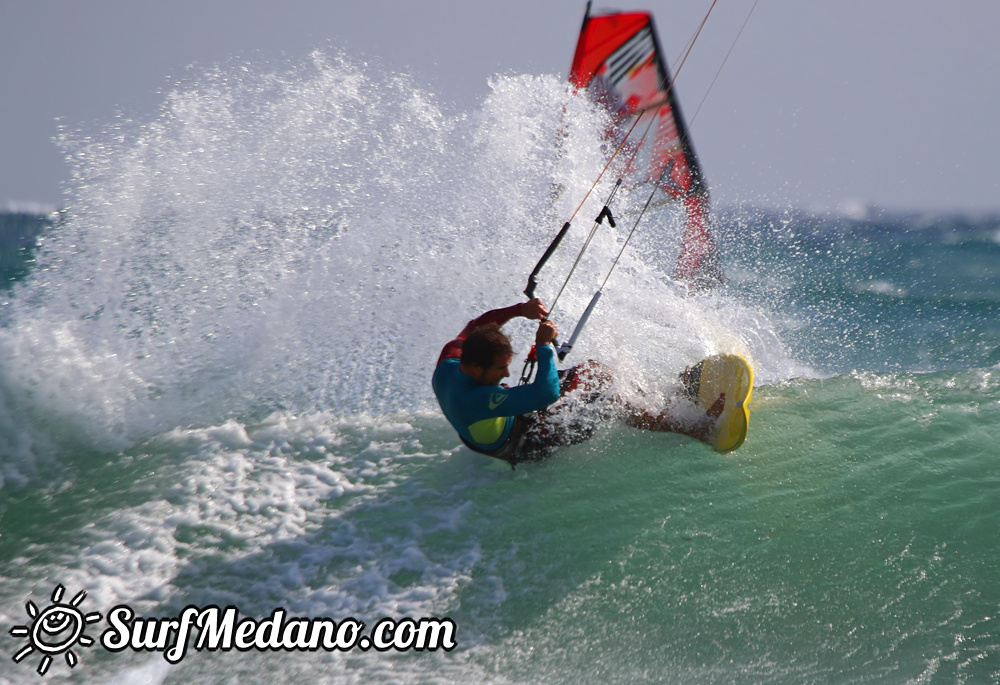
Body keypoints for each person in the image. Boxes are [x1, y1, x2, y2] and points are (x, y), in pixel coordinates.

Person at [432, 298, 724, 467]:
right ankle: (691, 428)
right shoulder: (476, 399)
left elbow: (477, 326)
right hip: (525, 442)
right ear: (474, 367)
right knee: (607, 393)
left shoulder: (452, 357)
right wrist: (544, 347)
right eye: (499, 370)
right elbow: (546, 394)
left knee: (595, 372)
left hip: (504, 423)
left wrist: (521, 309)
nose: (506, 375)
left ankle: (669, 396)